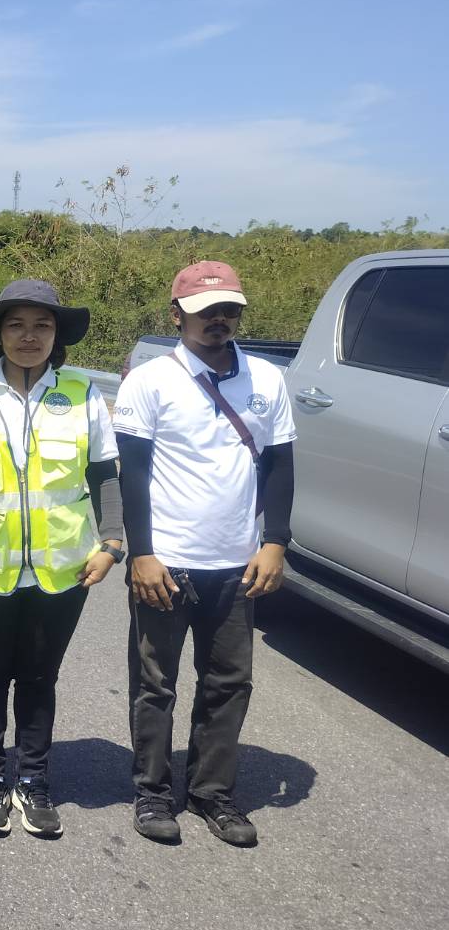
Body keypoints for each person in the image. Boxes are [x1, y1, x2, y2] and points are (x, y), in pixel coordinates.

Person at [0, 280, 123, 838]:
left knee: (40, 678)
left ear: (57, 335)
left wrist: (112, 543)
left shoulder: (82, 395)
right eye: (16, 325)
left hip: (63, 570)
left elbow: (104, 474)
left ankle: (33, 779)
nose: (29, 336)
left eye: (42, 325)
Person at [114, 261, 295, 848]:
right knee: (155, 683)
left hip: (237, 564)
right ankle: (152, 791)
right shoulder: (149, 381)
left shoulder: (268, 379)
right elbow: (132, 475)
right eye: (204, 311)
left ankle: (212, 792)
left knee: (229, 683)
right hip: (167, 562)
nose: (218, 319)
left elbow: (280, 464)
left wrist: (275, 541)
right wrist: (141, 554)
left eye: (228, 310)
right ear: (177, 315)